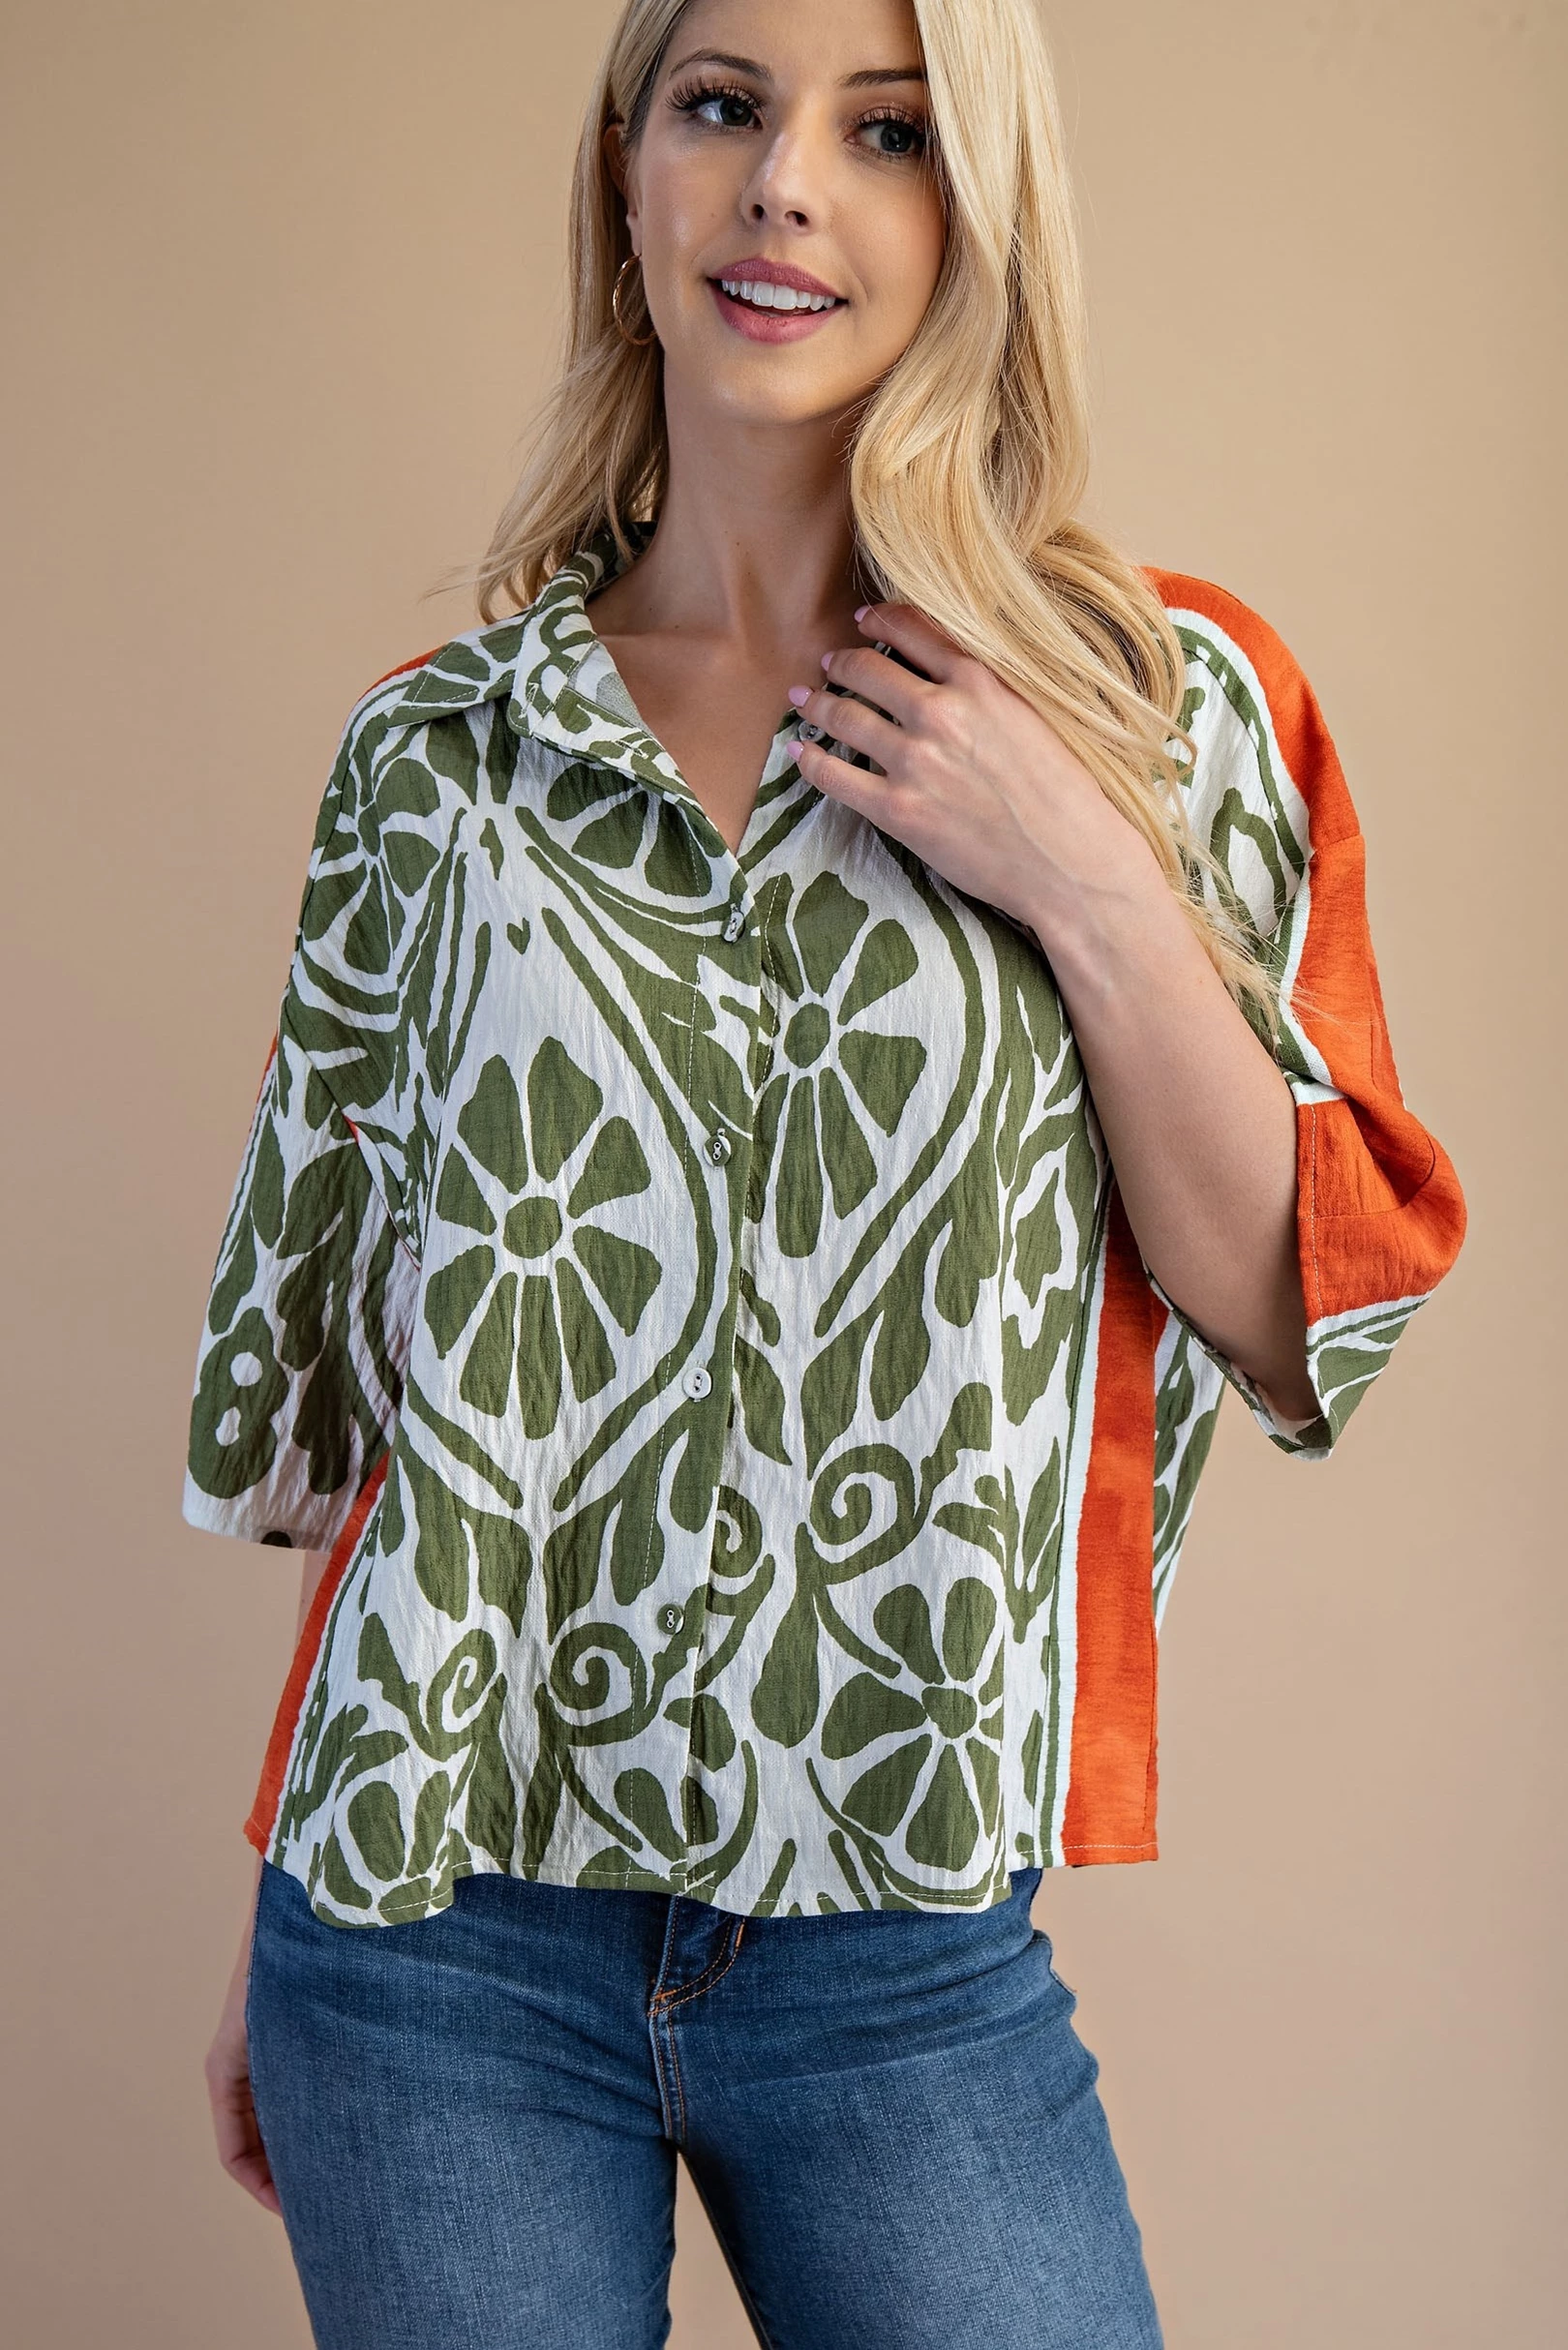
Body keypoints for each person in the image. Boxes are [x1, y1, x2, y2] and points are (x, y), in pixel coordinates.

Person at [183, 1, 1466, 2343]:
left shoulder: (1161, 712)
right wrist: (298, 1862)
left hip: (896, 1950)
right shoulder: (437, 765)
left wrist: (1081, 879)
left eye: (888, 132)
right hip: (430, 1938)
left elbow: (1299, 1302)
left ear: (979, 213)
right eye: (724, 106)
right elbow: (404, 1407)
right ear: (627, 168)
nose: (788, 182)